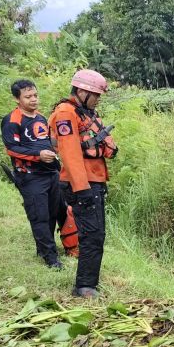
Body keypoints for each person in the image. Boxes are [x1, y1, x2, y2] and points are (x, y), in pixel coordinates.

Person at [49, 69, 118, 299]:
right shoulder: (65, 113)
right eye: (95, 95)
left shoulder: (84, 113)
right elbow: (70, 154)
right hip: (82, 184)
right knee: (92, 235)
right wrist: (82, 188)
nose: (98, 99)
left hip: (92, 182)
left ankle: (88, 283)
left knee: (97, 234)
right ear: (81, 91)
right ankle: (85, 287)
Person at [1, 79, 67, 269]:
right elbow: (12, 148)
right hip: (30, 175)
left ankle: (44, 248)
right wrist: (38, 156)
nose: (33, 100)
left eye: (35, 95)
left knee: (52, 212)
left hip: (51, 173)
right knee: (39, 216)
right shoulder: (12, 120)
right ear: (17, 99)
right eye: (28, 97)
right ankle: (51, 258)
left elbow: (46, 141)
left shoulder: (40, 117)